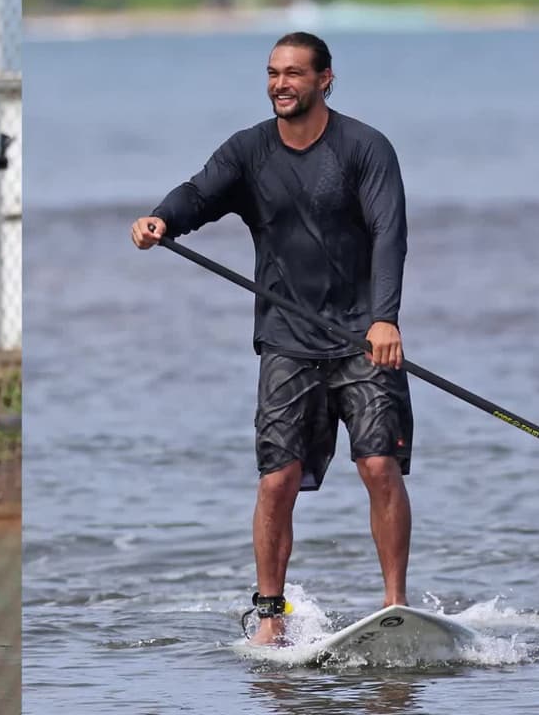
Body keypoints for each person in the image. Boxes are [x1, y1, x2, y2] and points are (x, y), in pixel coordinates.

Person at [130, 32, 414, 647]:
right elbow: (199, 193)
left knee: (378, 466)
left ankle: (396, 606)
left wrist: (384, 318)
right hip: (286, 338)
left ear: (325, 80)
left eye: (294, 74)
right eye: (272, 73)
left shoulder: (366, 148)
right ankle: (270, 613)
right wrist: (163, 217)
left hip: (363, 336)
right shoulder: (250, 151)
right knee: (276, 479)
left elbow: (390, 234)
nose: (280, 84)